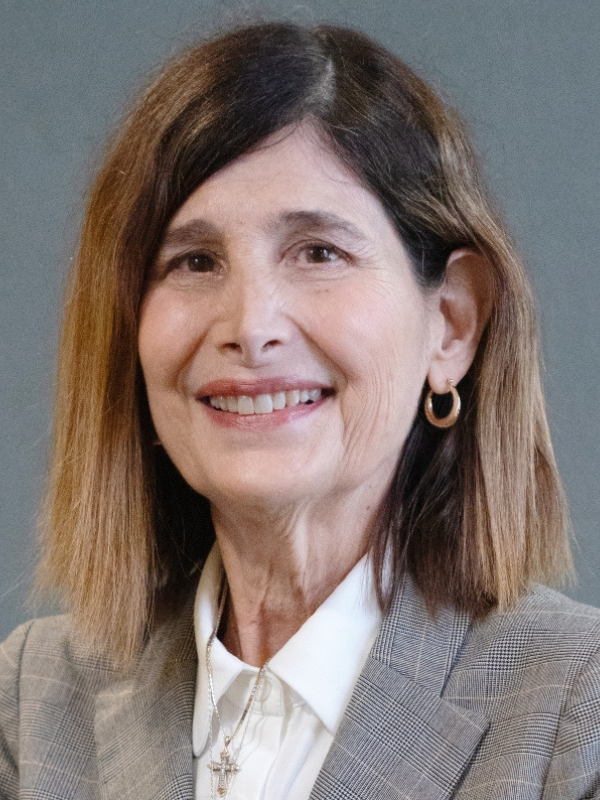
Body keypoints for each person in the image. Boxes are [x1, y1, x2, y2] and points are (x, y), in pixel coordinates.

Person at [1, 20, 600, 800]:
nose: (250, 327)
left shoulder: (574, 718)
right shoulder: (31, 704)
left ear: (451, 322)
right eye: (193, 261)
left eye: (319, 252)